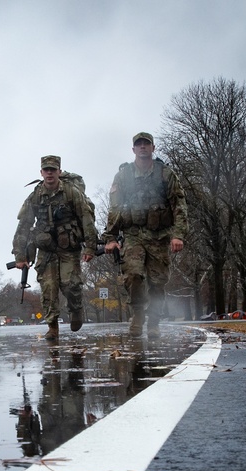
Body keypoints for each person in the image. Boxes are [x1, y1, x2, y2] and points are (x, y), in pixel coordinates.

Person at [103, 132, 188, 338]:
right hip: (133, 235)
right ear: (133, 149)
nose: (143, 147)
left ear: (153, 148)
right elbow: (114, 209)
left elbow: (179, 205)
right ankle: (138, 315)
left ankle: (154, 322)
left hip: (159, 236)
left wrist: (178, 235)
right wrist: (111, 238)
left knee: (157, 282)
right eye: (139, 144)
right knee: (133, 274)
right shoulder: (123, 176)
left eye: (146, 144)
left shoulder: (165, 174)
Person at [11, 155, 98, 341]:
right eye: (46, 170)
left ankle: (76, 310)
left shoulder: (71, 192)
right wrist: (20, 255)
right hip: (46, 249)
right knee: (48, 288)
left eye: (53, 170)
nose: (49, 173)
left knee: (71, 285)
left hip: (69, 247)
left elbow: (86, 218)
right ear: (41, 172)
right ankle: (52, 327)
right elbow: (24, 225)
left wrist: (90, 247)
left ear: (59, 171)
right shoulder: (35, 196)